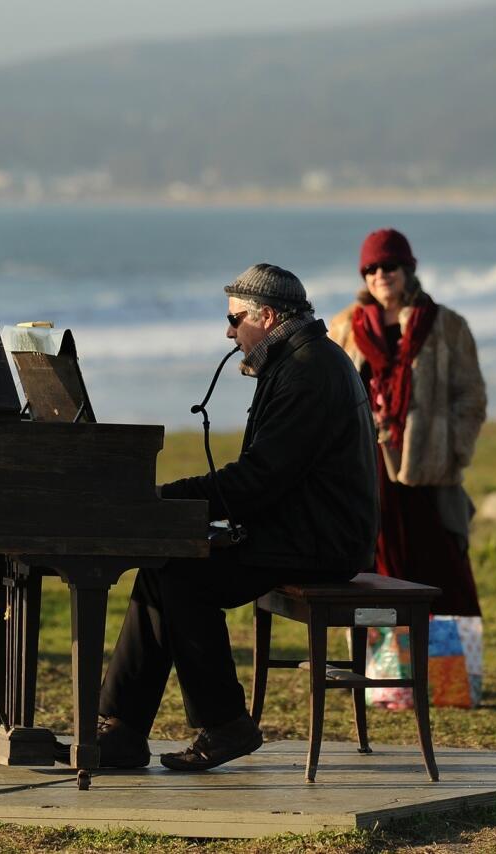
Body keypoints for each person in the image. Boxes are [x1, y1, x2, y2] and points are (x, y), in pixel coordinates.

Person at [91, 263, 379, 771]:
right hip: (302, 530)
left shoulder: (309, 370)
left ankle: (225, 725)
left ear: (266, 316)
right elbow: (264, 479)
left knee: (182, 575)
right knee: (165, 567)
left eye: (235, 319)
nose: (229, 332)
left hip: (320, 543)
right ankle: (119, 728)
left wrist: (166, 497)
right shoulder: (299, 360)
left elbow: (259, 479)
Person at [327, 229, 488, 705]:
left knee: (444, 569)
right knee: (376, 572)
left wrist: (451, 447)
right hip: (366, 467)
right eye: (372, 270)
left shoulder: (446, 325)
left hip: (429, 470)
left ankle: (450, 681)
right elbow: (329, 396)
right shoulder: (345, 327)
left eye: (390, 267)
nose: (381, 276)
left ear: (407, 270)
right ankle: (385, 683)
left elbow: (471, 395)